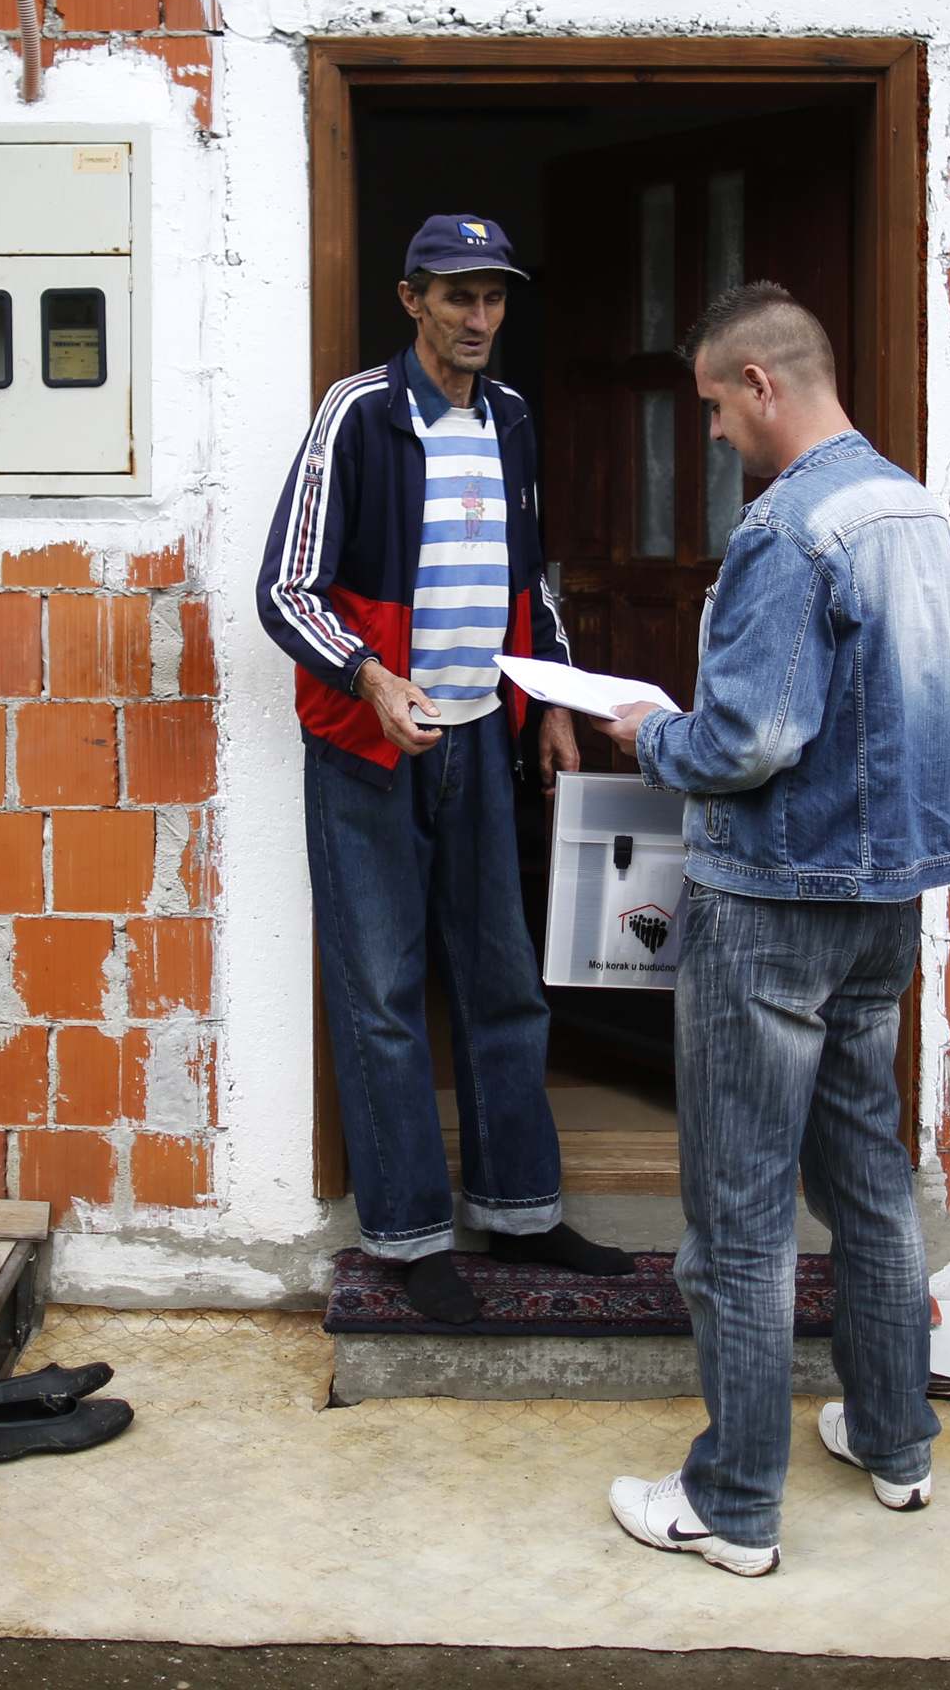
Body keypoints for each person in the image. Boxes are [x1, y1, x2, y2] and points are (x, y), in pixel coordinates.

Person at [596, 280, 950, 1578]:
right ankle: (895, 1439)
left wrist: (651, 733)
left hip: (772, 909)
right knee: (868, 1183)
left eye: (710, 403)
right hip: (886, 906)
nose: (706, 431)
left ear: (762, 383)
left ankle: (735, 1505)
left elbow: (749, 740)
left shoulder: (788, 531)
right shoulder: (915, 511)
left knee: (740, 1217)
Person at [257, 214, 634, 1323]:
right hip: (370, 747)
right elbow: (287, 586)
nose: (479, 318)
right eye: (458, 296)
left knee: (501, 980)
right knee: (382, 994)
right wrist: (370, 678)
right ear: (411, 298)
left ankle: (522, 1209)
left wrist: (551, 699)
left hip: (479, 736)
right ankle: (413, 1238)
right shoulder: (359, 413)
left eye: (495, 298)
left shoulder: (511, 417)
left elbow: (531, 571)